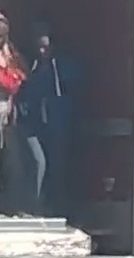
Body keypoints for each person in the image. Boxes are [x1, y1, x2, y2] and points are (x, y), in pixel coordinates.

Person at [18, 24, 81, 216]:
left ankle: (55, 206)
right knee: (39, 162)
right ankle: (35, 205)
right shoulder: (32, 67)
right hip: (35, 124)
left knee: (57, 164)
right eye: (39, 47)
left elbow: (72, 90)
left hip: (57, 123)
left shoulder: (63, 67)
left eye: (45, 47)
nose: (42, 51)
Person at [0, 13, 30, 216]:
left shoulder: (11, 54)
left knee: (11, 161)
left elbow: (21, 74)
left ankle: (11, 206)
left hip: (9, 112)